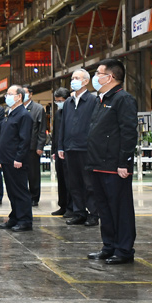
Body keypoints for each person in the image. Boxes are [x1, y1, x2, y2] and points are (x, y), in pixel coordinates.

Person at [85, 59, 138, 265]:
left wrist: (124, 162)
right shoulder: (101, 100)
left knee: (120, 209)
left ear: (110, 77)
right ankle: (109, 246)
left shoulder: (123, 99)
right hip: (97, 164)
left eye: (98, 73)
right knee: (104, 209)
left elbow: (128, 133)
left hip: (115, 166)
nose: (95, 77)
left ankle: (123, 249)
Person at [58, 69, 100, 227]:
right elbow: (63, 125)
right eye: (72, 78)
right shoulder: (68, 102)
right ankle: (79, 212)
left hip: (85, 148)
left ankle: (93, 214)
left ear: (85, 81)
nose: (73, 80)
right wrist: (61, 146)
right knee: (74, 183)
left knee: (89, 183)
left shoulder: (93, 100)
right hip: (70, 148)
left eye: (77, 78)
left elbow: (96, 124)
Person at [0, 85, 34, 232]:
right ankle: (15, 217)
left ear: (19, 96)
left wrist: (19, 158)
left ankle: (25, 220)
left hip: (16, 160)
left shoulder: (23, 115)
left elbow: (24, 140)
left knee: (20, 191)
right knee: (12, 191)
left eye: (10, 94)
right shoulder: (10, 113)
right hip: (7, 159)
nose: (7, 96)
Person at [22, 86, 46, 207]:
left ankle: (34, 197)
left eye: (25, 92)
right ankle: (23, 196)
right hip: (20, 147)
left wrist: (40, 146)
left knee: (33, 174)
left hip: (32, 147)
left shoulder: (38, 108)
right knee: (21, 174)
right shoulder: (16, 108)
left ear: (30, 94)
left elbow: (42, 129)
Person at [51, 88, 71, 217]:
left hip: (68, 151)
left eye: (61, 101)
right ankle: (62, 205)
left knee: (70, 181)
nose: (59, 103)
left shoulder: (72, 112)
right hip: (58, 151)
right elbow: (55, 134)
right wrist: (54, 150)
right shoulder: (58, 114)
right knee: (61, 180)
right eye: (57, 101)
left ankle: (71, 207)